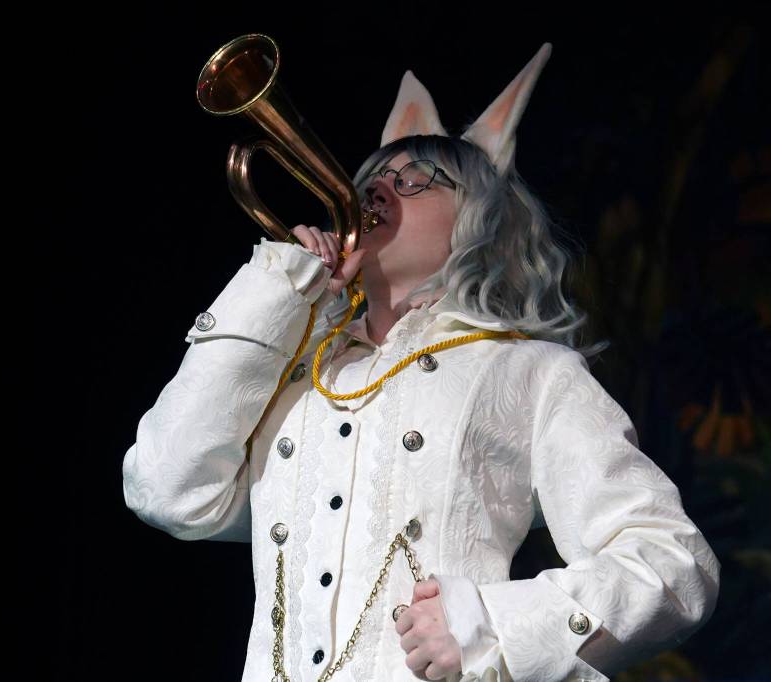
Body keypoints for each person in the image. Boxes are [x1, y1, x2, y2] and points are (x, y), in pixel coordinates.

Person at [121, 43, 719, 682]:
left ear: (479, 222)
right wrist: (273, 289)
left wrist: (493, 624)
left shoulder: (529, 371)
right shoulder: (298, 370)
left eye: (415, 180)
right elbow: (167, 491)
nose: (378, 187)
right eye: (373, 177)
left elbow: (671, 563)